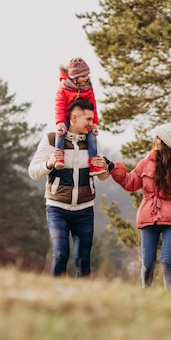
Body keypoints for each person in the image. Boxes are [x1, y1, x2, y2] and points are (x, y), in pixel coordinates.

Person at [105, 123, 171, 291]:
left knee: (167, 260)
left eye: (158, 137)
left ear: (165, 142)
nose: (154, 139)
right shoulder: (146, 163)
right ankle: (146, 294)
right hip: (148, 216)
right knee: (148, 263)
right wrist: (114, 169)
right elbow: (131, 182)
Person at [28, 98, 110, 277]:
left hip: (85, 210)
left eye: (93, 119)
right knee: (60, 254)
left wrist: (104, 168)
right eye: (88, 119)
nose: (92, 123)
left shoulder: (93, 144)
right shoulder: (51, 140)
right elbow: (33, 172)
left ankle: (82, 300)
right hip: (57, 208)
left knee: (83, 260)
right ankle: (55, 296)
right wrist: (49, 163)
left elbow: (103, 177)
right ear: (73, 118)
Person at [53, 57, 105, 176]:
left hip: (82, 118)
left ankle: (93, 163)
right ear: (74, 78)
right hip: (66, 116)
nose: (86, 78)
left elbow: (93, 105)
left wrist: (94, 122)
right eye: (83, 76)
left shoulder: (88, 88)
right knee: (60, 134)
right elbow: (59, 105)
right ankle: (58, 156)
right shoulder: (64, 88)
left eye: (87, 75)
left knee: (92, 138)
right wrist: (60, 122)